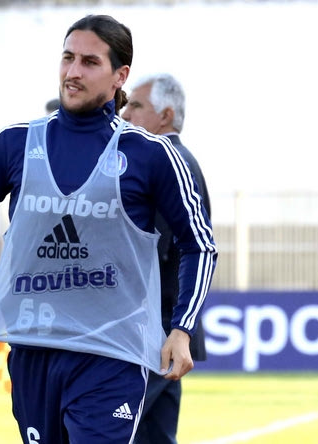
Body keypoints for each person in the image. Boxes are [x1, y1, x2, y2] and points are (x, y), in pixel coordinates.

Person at [0, 14, 217, 444]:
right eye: (67, 58)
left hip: (112, 357)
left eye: (90, 62)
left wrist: (181, 329)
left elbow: (198, 245)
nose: (73, 71)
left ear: (119, 76)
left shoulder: (150, 155)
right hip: (33, 352)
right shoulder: (15, 143)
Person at [122, 73, 211, 444]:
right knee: (154, 436)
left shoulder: (165, 161)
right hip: (165, 327)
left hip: (153, 329)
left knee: (109, 428)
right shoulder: (180, 159)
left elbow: (154, 251)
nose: (125, 114)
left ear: (166, 115)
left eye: (136, 105)